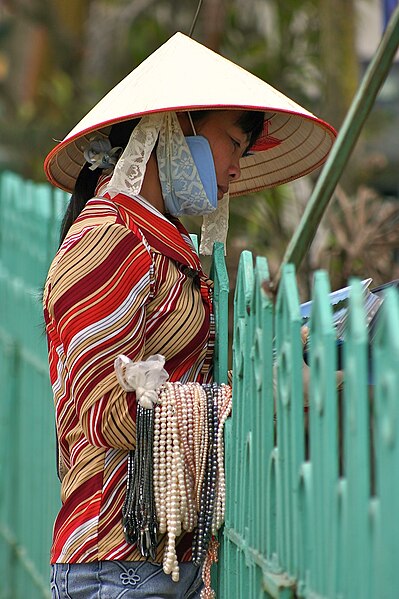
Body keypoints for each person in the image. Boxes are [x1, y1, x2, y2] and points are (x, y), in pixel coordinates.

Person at [43, 32, 336, 598]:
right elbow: (111, 413)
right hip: (114, 563)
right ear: (174, 126)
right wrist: (236, 400)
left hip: (152, 564)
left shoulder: (156, 244)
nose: (234, 170)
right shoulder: (110, 241)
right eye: (232, 143)